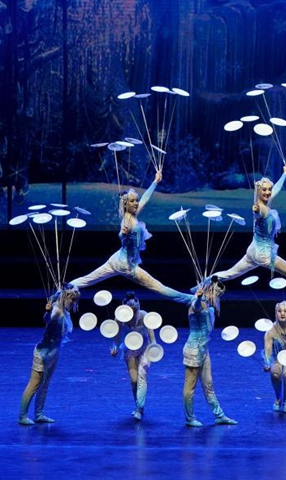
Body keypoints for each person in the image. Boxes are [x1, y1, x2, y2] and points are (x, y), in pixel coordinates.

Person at [211, 164, 286, 304]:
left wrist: (284, 174)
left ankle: (201, 285)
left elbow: (275, 189)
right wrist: (256, 211)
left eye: (269, 190)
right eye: (264, 190)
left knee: (230, 273)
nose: (268, 192)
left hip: (253, 250)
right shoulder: (260, 208)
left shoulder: (265, 202)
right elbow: (258, 214)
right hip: (264, 255)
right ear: (258, 191)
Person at [69, 170, 186, 302]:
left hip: (117, 259)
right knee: (158, 287)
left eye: (135, 200)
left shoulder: (132, 215)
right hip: (127, 266)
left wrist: (155, 182)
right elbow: (123, 236)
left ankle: (66, 287)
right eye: (132, 201)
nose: (136, 203)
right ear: (125, 204)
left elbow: (145, 200)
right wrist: (123, 235)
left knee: (89, 279)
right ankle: (189, 299)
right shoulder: (127, 221)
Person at [19, 285, 80, 425]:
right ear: (66, 297)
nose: (74, 303)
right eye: (73, 300)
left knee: (45, 384)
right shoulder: (57, 311)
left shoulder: (65, 310)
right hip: (43, 353)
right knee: (34, 384)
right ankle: (22, 416)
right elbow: (48, 319)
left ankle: (39, 414)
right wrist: (47, 311)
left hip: (54, 352)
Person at [182, 276, 237, 427]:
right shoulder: (197, 304)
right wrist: (199, 297)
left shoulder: (210, 307)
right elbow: (196, 305)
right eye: (216, 293)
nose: (217, 296)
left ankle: (219, 415)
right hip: (194, 350)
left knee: (209, 384)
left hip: (204, 350)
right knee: (190, 386)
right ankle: (189, 418)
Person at [110, 292, 156, 421]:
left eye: (135, 308)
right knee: (134, 380)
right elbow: (116, 338)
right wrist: (114, 348)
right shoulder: (120, 318)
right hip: (130, 350)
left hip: (144, 349)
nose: (134, 310)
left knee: (142, 375)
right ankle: (138, 404)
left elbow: (153, 339)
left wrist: (155, 349)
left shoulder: (144, 316)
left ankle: (139, 408)